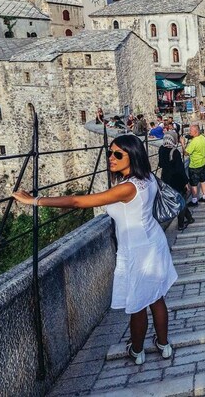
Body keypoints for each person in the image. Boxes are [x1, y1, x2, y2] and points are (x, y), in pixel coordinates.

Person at [12, 135, 175, 365]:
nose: (111, 158)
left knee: (138, 306)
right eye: (110, 152)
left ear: (133, 156)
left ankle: (137, 351)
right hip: (153, 242)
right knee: (157, 298)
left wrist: (36, 201)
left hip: (138, 251)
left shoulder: (127, 188)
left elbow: (79, 202)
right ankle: (163, 344)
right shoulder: (146, 178)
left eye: (118, 154)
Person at [158, 133, 193, 231]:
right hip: (176, 180)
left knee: (179, 200)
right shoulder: (175, 152)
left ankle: (190, 218)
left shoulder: (161, 149)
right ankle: (181, 224)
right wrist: (186, 182)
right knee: (181, 201)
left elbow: (160, 164)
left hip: (166, 179)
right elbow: (180, 169)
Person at [185, 124, 205, 206]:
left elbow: (186, 153)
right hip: (204, 162)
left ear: (195, 132)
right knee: (203, 180)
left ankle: (194, 200)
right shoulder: (203, 138)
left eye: (191, 131)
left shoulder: (194, 142)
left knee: (193, 183)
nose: (189, 132)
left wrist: (182, 143)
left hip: (195, 165)